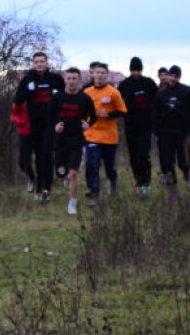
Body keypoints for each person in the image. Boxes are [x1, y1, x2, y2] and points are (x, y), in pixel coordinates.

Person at [13, 52, 65, 202]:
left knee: (47, 154)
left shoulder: (56, 79)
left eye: (42, 61)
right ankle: (39, 187)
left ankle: (47, 188)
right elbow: (17, 100)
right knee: (38, 156)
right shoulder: (28, 79)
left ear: (47, 63)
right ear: (33, 64)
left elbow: (65, 97)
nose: (39, 64)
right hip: (34, 123)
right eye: (36, 62)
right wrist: (28, 91)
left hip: (51, 122)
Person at [51, 67, 96, 215]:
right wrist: (55, 126)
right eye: (69, 78)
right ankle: (64, 178)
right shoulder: (57, 97)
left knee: (74, 173)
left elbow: (94, 117)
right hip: (60, 140)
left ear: (79, 80)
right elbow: (49, 116)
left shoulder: (85, 98)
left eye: (74, 79)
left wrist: (88, 124)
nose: (71, 81)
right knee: (61, 173)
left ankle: (72, 203)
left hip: (77, 140)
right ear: (65, 80)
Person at [152, 65, 190, 201]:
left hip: (183, 132)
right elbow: (154, 113)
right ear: (167, 76)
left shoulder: (187, 91)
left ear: (179, 77)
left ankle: (186, 170)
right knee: (168, 162)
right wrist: (156, 130)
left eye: (175, 76)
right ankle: (173, 192)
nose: (172, 79)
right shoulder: (160, 94)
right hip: (166, 133)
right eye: (171, 76)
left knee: (183, 160)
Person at [82, 61, 126, 207]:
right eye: (97, 72)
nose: (100, 75)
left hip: (109, 137)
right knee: (93, 165)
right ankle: (94, 195)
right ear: (93, 74)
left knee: (109, 167)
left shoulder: (113, 92)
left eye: (103, 73)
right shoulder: (87, 92)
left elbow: (122, 111)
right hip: (92, 135)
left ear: (107, 75)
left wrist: (109, 114)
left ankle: (112, 181)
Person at [117, 56, 157, 198]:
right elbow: (119, 105)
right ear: (130, 70)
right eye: (134, 70)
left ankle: (146, 185)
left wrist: (154, 119)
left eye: (138, 70)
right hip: (131, 126)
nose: (136, 73)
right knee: (134, 157)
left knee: (144, 155)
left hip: (146, 126)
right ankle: (138, 181)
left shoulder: (149, 83)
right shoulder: (124, 85)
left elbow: (156, 102)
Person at [10, 100, 35, 193]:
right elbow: (13, 116)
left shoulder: (38, 98)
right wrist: (21, 122)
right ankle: (31, 178)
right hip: (24, 133)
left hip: (38, 132)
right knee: (22, 162)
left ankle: (44, 183)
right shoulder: (20, 100)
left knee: (43, 158)